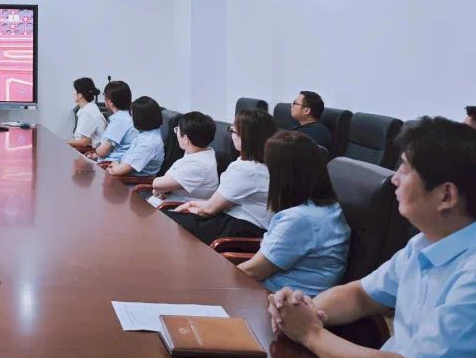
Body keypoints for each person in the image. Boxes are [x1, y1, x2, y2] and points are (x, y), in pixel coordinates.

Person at [269, 117, 476, 358]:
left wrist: (310, 333)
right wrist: (301, 309)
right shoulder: (428, 240)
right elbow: (361, 295)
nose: (394, 179)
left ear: (446, 196)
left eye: (405, 169)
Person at [238, 130, 349, 295]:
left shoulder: (300, 219)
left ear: (283, 175)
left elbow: (254, 271)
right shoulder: (329, 207)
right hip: (283, 294)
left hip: (280, 299)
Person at [165, 108, 278, 241]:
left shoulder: (246, 169)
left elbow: (210, 209)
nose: (231, 135)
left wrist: (191, 208)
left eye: (233, 130)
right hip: (246, 224)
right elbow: (220, 203)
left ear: (246, 138)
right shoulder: (270, 163)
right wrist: (191, 205)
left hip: (239, 228)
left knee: (163, 220)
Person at [148, 111, 218, 206]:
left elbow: (157, 184)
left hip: (176, 208)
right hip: (170, 200)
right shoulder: (201, 151)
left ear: (185, 139)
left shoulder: (197, 165)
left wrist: (161, 188)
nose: (176, 132)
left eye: (177, 130)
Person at [106, 96, 164, 177]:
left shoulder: (149, 143)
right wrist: (116, 164)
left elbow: (118, 171)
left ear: (141, 118)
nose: (131, 119)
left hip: (132, 182)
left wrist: (112, 168)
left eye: (132, 115)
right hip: (124, 175)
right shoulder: (145, 134)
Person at [87, 81, 136, 162]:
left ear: (110, 102)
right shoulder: (126, 117)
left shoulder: (120, 120)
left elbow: (102, 152)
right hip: (115, 163)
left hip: (110, 166)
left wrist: (97, 148)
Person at [68, 77, 106, 151]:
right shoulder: (88, 108)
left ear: (80, 95)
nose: (73, 93)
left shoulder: (87, 112)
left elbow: (84, 142)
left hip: (92, 151)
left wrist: (64, 142)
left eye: (75, 90)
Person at [289, 90, 333, 155]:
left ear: (307, 110)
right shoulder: (298, 124)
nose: (291, 105)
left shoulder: (318, 132)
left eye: (295, 103)